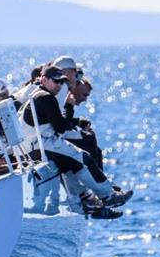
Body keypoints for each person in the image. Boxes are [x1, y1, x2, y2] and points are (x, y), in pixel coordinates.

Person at [20, 65, 131, 217]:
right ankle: (108, 196)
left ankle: (89, 202)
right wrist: (69, 106)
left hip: (33, 146)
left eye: (61, 82)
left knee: (72, 165)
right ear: (44, 80)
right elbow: (61, 127)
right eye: (56, 81)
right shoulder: (46, 98)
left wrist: (74, 120)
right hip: (42, 146)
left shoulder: (36, 95)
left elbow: (56, 123)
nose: (59, 85)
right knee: (84, 158)